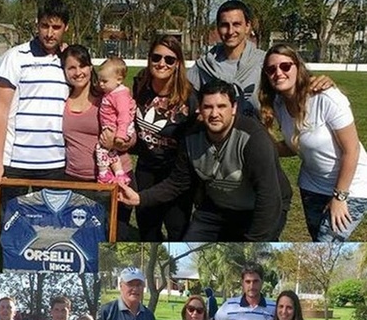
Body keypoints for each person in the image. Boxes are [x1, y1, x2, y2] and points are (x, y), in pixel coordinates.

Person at [118, 78, 292, 241]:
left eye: (221, 106)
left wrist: (254, 244)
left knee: (248, 260)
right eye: (208, 107)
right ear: (200, 109)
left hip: (260, 207)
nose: (214, 114)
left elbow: (268, 196)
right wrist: (140, 198)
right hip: (216, 206)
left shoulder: (252, 137)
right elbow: (178, 182)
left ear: (234, 108)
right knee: (186, 259)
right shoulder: (192, 137)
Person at [259, 44, 367, 242]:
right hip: (312, 186)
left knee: (327, 243)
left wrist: (340, 197)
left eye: (285, 66)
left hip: (351, 187)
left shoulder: (326, 97)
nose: (278, 73)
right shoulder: (279, 104)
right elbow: (295, 146)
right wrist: (262, 141)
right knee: (318, 240)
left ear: (298, 68)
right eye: (271, 69)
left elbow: (351, 150)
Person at [0, 0, 71, 201]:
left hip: (56, 162)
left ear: (66, 28)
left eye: (56, 27)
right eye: (45, 26)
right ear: (37, 24)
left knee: (52, 230)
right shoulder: (15, 57)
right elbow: (0, 112)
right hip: (16, 161)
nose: (50, 33)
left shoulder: (71, 61)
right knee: (10, 227)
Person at [60, 44, 134, 240]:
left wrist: (117, 144)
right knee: (82, 239)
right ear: (64, 71)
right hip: (75, 179)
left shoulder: (107, 96)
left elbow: (131, 133)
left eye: (82, 66)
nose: (78, 72)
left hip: (114, 178)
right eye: (71, 67)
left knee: (115, 236)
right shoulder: (61, 99)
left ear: (90, 67)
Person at [131, 35, 197, 241]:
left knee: (178, 232)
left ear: (178, 64)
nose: (162, 63)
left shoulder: (190, 97)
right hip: (146, 170)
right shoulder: (140, 85)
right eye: (156, 57)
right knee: (148, 232)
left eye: (169, 59)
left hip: (175, 175)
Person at [187, 0, 266, 117]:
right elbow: (182, 93)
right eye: (224, 25)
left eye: (236, 24)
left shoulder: (264, 62)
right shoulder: (204, 66)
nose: (230, 31)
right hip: (214, 134)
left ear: (247, 26)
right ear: (218, 28)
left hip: (254, 132)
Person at [95, 57, 135, 185]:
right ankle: (119, 173)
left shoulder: (120, 95)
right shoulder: (111, 92)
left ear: (119, 80)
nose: (101, 84)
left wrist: (120, 135)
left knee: (100, 149)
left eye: (104, 81)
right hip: (113, 128)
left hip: (119, 129)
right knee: (111, 151)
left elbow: (124, 116)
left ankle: (103, 173)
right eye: (99, 80)